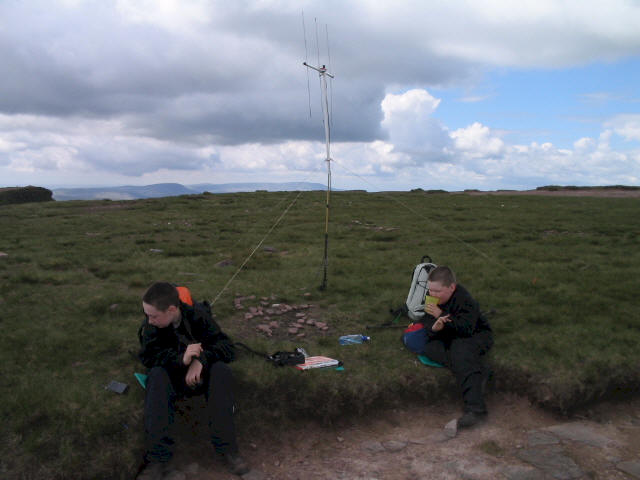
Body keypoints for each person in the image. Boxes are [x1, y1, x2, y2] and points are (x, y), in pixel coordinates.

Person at [136, 282, 249, 479]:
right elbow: (148, 357)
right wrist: (181, 359)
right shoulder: (152, 326)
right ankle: (157, 460)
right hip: (172, 377)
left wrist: (201, 361)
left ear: (172, 309)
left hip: (201, 378)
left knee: (221, 371)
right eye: (147, 315)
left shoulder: (197, 316)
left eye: (154, 316)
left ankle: (228, 450)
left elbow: (227, 347)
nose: (149, 320)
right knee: (156, 376)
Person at [422, 266, 493, 428]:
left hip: (475, 335)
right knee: (429, 349)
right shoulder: (431, 297)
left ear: (451, 287)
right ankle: (477, 371)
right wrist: (435, 328)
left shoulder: (465, 300)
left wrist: (441, 316)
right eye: (430, 290)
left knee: (460, 351)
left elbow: (467, 328)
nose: (432, 295)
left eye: (437, 291)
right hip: (448, 335)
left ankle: (476, 410)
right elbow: (427, 323)